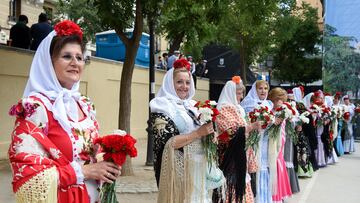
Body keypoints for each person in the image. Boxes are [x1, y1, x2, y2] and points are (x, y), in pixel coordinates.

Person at [8, 20, 120, 203]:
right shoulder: (35, 109)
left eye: (79, 57)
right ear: (49, 62)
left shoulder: (85, 105)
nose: (75, 62)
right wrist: (83, 171)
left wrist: (107, 164)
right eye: (67, 56)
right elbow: (27, 176)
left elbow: (90, 153)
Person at [149, 58, 222, 202]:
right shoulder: (161, 106)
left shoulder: (194, 106)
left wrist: (211, 136)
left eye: (188, 82)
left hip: (199, 170)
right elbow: (167, 144)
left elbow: (204, 131)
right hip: (180, 171)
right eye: (179, 82)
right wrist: (198, 133)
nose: (184, 86)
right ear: (170, 83)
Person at [213, 76, 260, 203]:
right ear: (230, 93)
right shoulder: (223, 109)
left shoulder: (237, 109)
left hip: (240, 154)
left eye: (241, 93)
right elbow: (229, 133)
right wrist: (251, 127)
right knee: (232, 188)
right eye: (238, 93)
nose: (241, 96)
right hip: (230, 157)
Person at [267, 88, 292, 202]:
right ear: (272, 99)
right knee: (274, 165)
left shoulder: (284, 111)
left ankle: (280, 194)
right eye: (277, 99)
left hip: (281, 142)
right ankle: (274, 195)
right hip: (272, 144)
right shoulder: (269, 112)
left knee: (279, 165)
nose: (280, 101)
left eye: (282, 99)